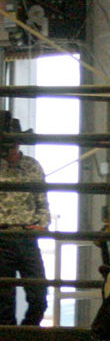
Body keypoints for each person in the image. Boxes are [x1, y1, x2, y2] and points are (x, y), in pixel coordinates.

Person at [0, 110, 51, 326]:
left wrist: (41, 224)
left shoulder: (32, 166)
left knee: (39, 297)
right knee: (3, 301)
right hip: (3, 237)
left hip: (27, 235)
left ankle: (27, 332)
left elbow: (42, 200)